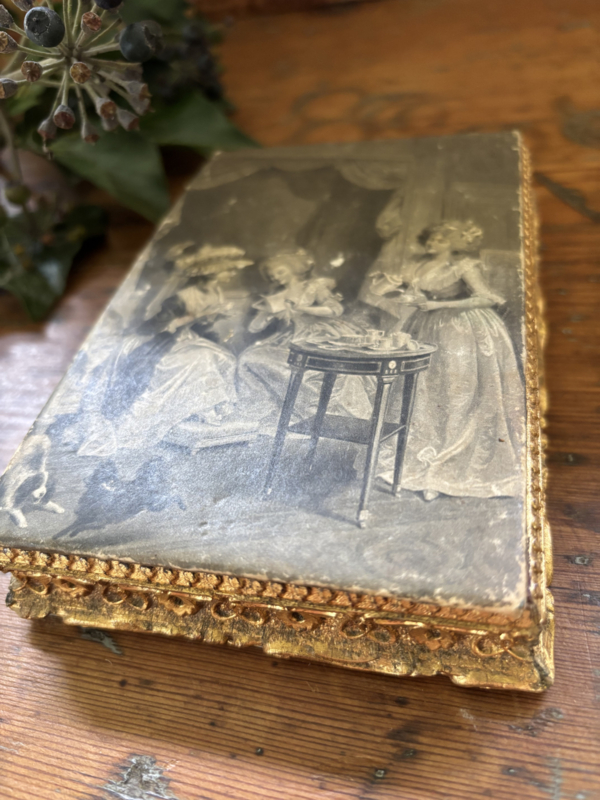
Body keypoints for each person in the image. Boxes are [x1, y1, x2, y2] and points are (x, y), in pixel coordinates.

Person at [374, 221, 524, 500]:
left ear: (454, 244)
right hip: (428, 326)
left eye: (440, 240)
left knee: (458, 393)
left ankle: (448, 466)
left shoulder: (463, 265)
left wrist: (439, 305)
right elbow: (406, 293)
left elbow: (486, 298)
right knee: (427, 391)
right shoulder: (419, 266)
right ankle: (419, 457)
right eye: (430, 240)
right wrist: (397, 292)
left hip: (463, 329)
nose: (432, 244)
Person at [77, 245, 253, 458]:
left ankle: (206, 407)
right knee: (203, 358)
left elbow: (201, 326)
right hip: (160, 342)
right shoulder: (182, 296)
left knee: (223, 357)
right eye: (228, 270)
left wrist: (213, 318)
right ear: (211, 272)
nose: (231, 275)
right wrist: (199, 316)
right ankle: (202, 410)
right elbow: (154, 326)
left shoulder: (215, 292)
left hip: (186, 338)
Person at [237, 248, 373, 430]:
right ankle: (284, 411)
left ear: (293, 268)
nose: (276, 277)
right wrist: (267, 314)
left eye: (280, 272)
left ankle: (322, 414)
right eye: (272, 275)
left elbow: (335, 310)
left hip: (317, 335)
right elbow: (254, 328)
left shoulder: (313, 287)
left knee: (317, 370)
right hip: (288, 339)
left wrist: (303, 310)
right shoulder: (275, 295)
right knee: (249, 357)